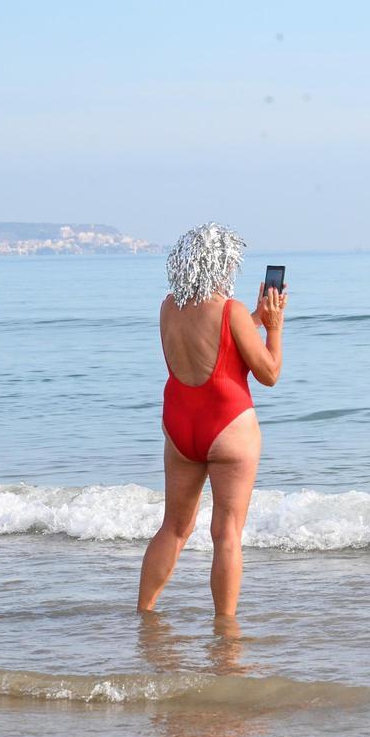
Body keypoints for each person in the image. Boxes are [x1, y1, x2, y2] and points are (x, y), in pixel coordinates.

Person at [137, 223, 285, 616]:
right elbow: (269, 373)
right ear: (224, 263)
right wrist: (273, 327)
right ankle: (225, 628)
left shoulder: (168, 306)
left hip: (180, 427)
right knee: (227, 533)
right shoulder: (230, 310)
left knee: (174, 527)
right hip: (228, 426)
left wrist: (253, 319)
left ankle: (144, 613)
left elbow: (209, 342)